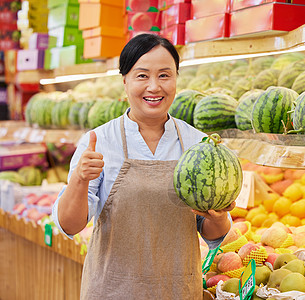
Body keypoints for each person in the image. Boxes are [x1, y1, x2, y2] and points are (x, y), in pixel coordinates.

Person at [52, 33, 235, 299]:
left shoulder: (199, 143)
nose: (154, 87)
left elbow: (212, 233)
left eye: (164, 75)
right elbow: (70, 225)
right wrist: (79, 180)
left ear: (176, 79)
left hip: (177, 290)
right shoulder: (99, 141)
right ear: (124, 80)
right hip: (113, 289)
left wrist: (218, 217)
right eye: (142, 76)